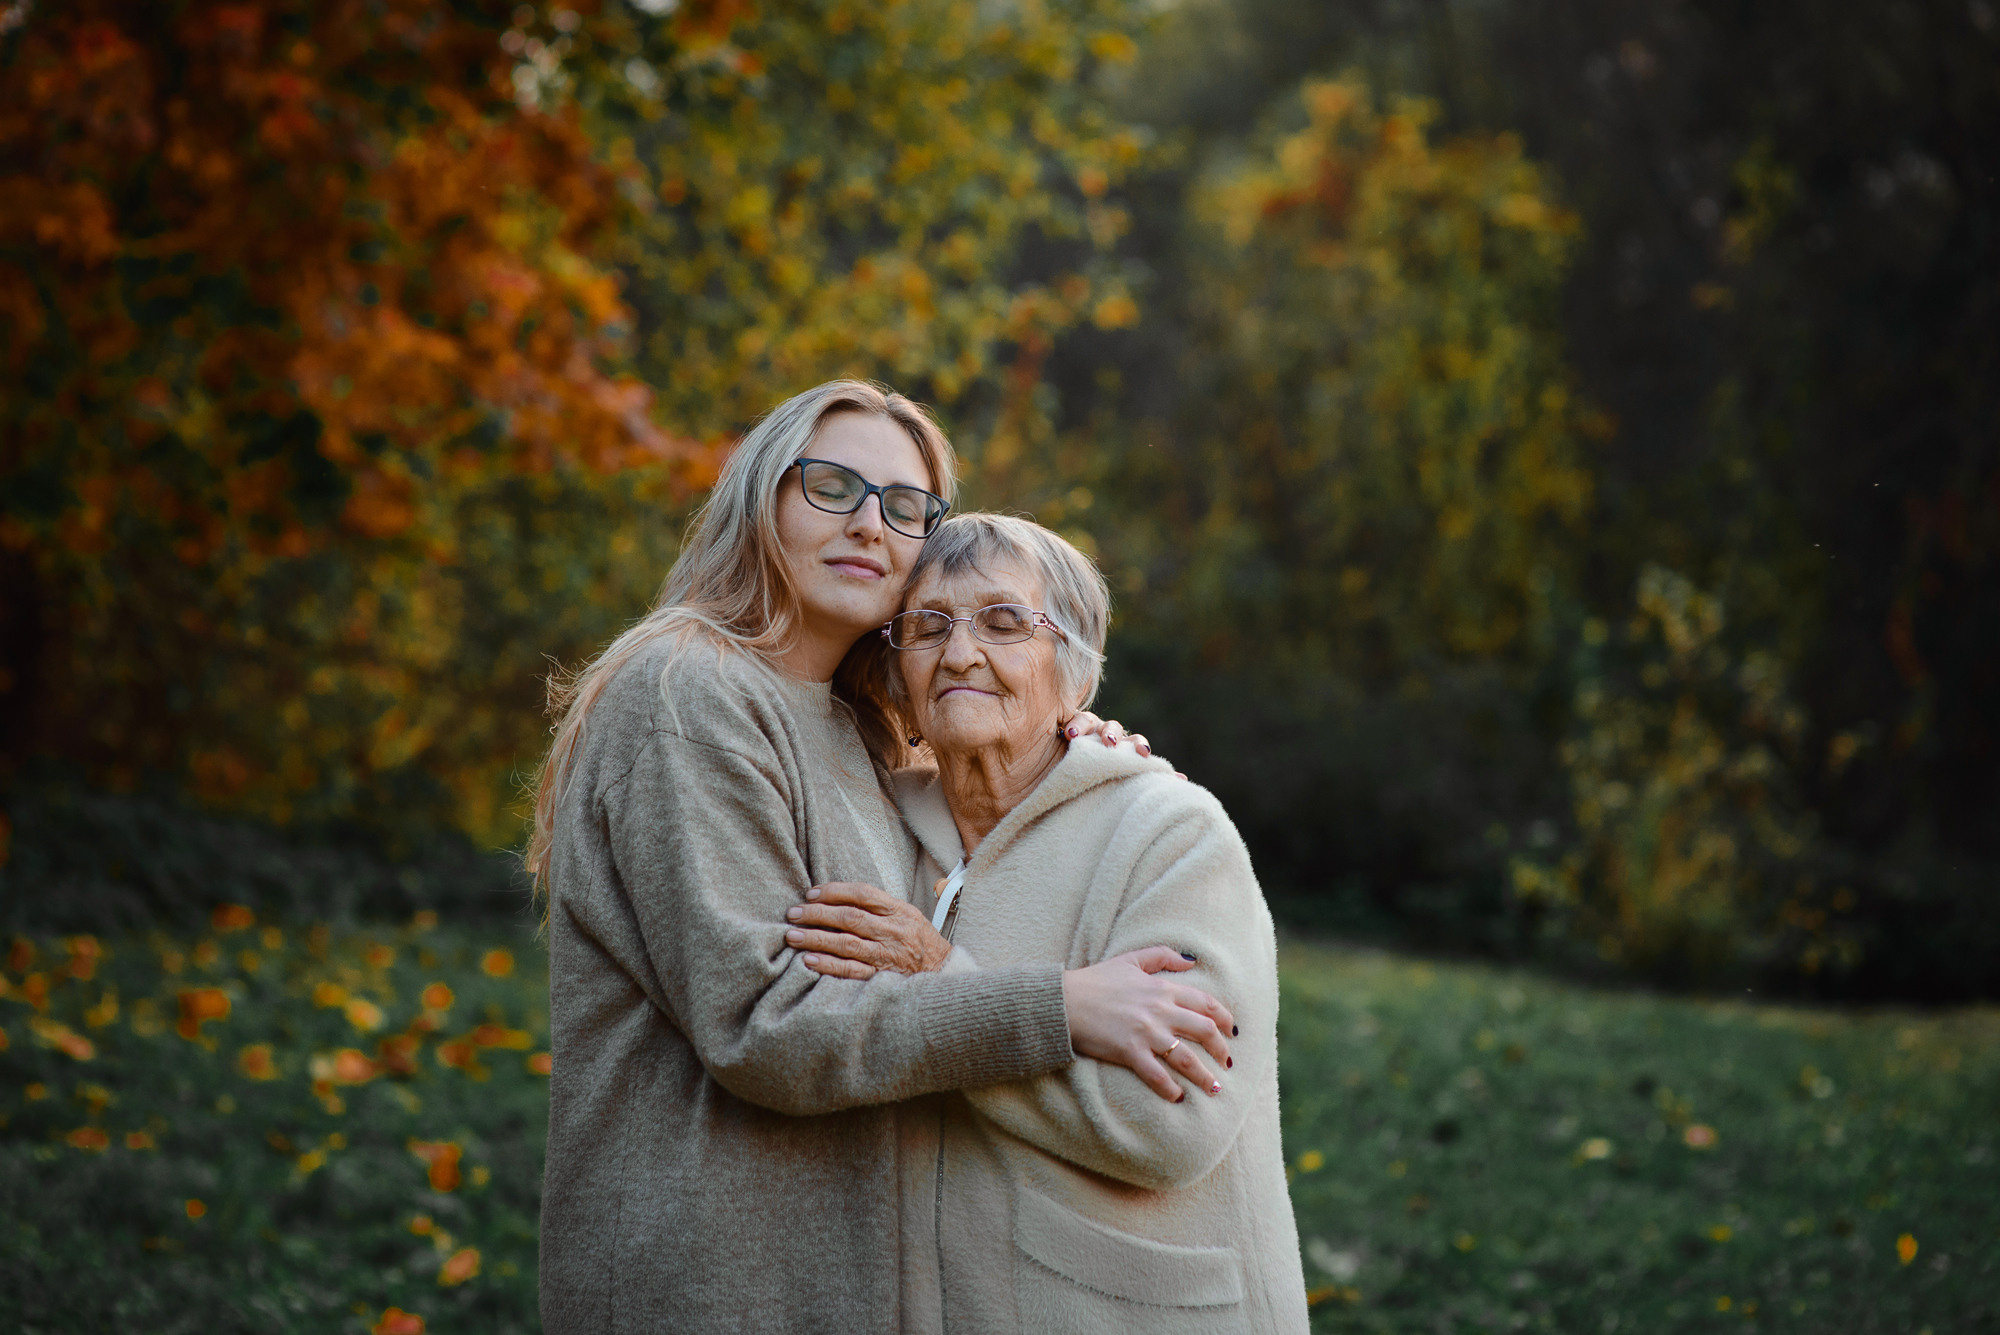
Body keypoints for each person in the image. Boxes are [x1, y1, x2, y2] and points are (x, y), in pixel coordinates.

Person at [528, 381, 1238, 1333]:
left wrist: (1071, 752)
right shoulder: (687, 689)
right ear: (761, 499)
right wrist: (1061, 1006)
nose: (869, 523)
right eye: (831, 486)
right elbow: (765, 1026)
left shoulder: (858, 728)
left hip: (847, 1280)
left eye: (906, 507)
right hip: (713, 1281)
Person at [786, 513, 1310, 1333]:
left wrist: (941, 979)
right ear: (898, 679)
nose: (961, 653)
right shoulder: (874, 821)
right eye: (929, 626)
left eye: (1003, 622)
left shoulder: (1170, 833)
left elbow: (1169, 1121)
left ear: (1073, 674)